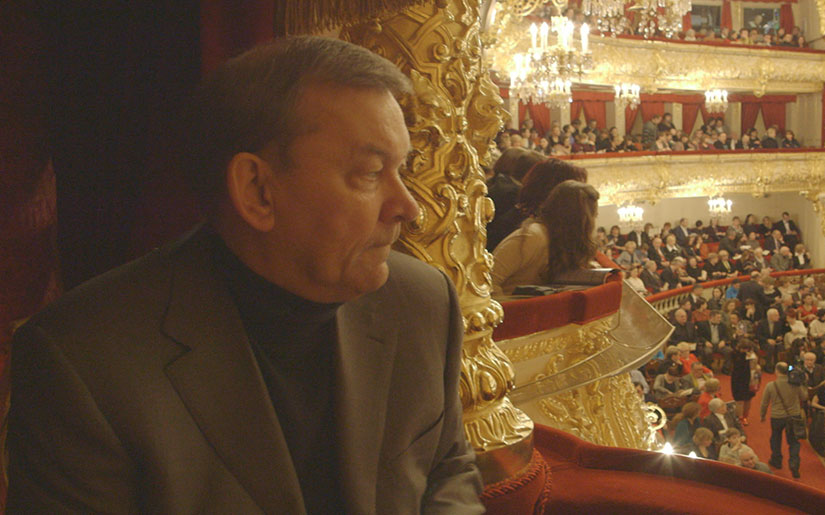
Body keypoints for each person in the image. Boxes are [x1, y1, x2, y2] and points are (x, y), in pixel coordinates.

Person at [8, 37, 484, 513]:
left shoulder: (422, 301)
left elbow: (447, 471)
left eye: (404, 169)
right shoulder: (82, 361)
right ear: (257, 190)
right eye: (369, 173)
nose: (409, 207)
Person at [491, 180, 599, 294]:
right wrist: (512, 309)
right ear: (583, 220)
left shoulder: (563, 240)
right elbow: (485, 281)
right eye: (594, 217)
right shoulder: (533, 237)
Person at [760, 362, 807, 478]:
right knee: (794, 441)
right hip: (794, 416)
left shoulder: (771, 385)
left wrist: (762, 415)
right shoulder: (795, 384)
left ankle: (776, 460)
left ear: (777, 371)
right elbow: (804, 397)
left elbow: (764, 403)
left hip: (777, 416)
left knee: (776, 438)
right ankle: (794, 463)